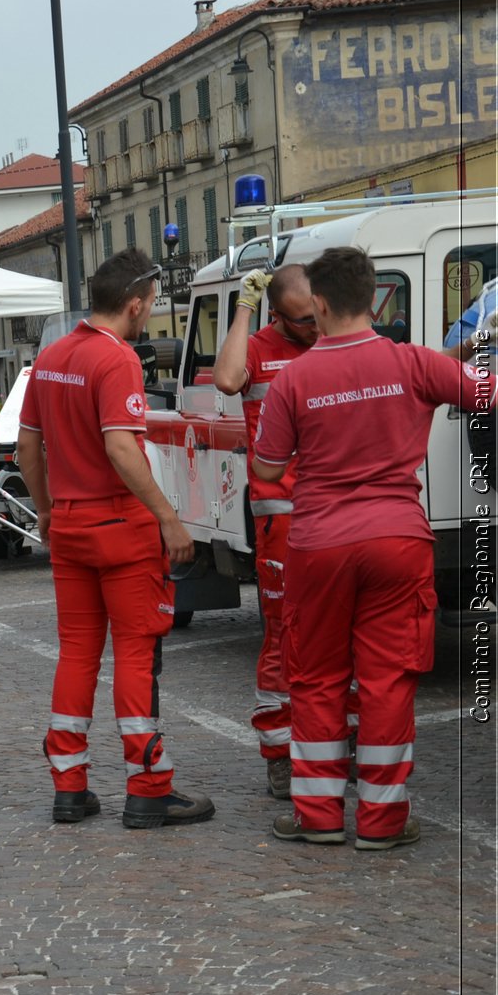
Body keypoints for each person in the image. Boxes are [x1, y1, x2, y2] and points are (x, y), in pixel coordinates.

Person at [252, 246, 486, 851]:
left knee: (316, 679)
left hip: (319, 544)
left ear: (321, 303)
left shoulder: (295, 378)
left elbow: (270, 465)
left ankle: (318, 817)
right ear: (375, 299)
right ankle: (383, 823)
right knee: (387, 680)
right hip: (398, 539)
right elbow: (485, 394)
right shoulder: (412, 362)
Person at [16, 250, 215, 830]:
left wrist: (48, 511)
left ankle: (70, 786)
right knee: (134, 650)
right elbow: (122, 448)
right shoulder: (117, 360)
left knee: (77, 651)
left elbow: (29, 450)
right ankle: (149, 786)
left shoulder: (51, 358)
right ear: (135, 303)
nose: (150, 316)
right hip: (120, 526)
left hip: (71, 525)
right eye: (151, 306)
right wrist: (169, 519)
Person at [212, 264, 323, 800]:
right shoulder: (258, 345)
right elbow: (228, 380)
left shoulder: (333, 336)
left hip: (334, 512)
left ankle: (333, 745)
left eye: (318, 315)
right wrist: (243, 306)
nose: (314, 329)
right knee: (283, 635)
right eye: (302, 321)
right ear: (277, 315)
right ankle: (280, 753)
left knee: (339, 632)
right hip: (280, 514)